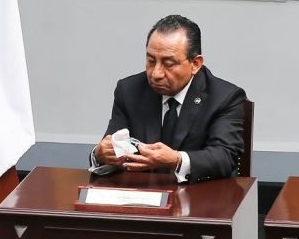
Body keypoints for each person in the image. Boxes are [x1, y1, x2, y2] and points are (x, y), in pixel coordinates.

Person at [92, 14, 248, 182]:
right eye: (151, 61)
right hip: (142, 197)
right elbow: (113, 146)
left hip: (200, 197)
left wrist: (177, 160)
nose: (156, 73)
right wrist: (100, 154)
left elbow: (225, 157)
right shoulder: (129, 90)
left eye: (168, 64)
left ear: (195, 64)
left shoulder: (225, 97)